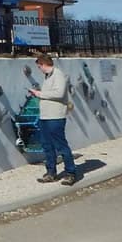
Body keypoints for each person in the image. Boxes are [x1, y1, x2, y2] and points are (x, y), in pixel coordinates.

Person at [30, 54, 79, 184]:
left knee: (61, 145)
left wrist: (40, 94)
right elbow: (51, 94)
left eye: (39, 66)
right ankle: (51, 173)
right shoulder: (48, 77)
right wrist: (39, 94)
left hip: (55, 117)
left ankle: (71, 173)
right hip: (45, 117)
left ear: (43, 64)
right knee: (47, 145)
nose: (39, 69)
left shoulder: (58, 74)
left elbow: (59, 93)